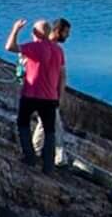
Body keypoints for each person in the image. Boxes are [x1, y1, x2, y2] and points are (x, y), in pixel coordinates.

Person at [6, 17, 71, 169]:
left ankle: (30, 157)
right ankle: (49, 165)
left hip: (31, 94)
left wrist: (16, 28)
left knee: (23, 123)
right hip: (50, 98)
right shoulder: (58, 51)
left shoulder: (34, 47)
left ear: (35, 33)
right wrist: (59, 96)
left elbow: (9, 47)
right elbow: (62, 76)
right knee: (50, 131)